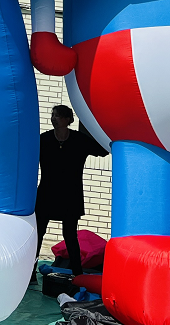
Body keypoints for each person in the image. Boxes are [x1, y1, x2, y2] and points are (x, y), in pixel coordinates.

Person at [36, 104, 107, 277]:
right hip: (47, 193)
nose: (53, 118)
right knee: (38, 234)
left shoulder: (79, 140)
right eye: (53, 115)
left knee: (70, 235)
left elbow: (103, 150)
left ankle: (77, 275)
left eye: (57, 116)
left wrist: (97, 127)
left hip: (70, 196)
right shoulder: (44, 139)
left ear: (67, 119)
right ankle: (29, 273)